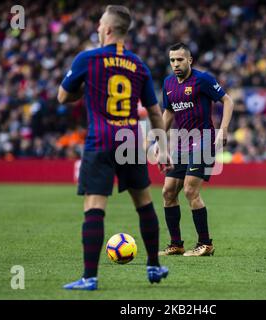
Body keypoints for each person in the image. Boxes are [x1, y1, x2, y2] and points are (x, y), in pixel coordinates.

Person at [57, 5, 172, 290]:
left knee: (94, 206)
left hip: (101, 139)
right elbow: (155, 112)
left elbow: (62, 97)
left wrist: (88, 87)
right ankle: (154, 267)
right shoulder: (138, 64)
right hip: (131, 140)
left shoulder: (88, 59)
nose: (97, 29)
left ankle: (90, 277)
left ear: (107, 29)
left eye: (99, 25)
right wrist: (163, 147)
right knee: (144, 203)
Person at [156, 43, 234, 257]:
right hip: (181, 142)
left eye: (180, 59)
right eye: (172, 60)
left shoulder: (203, 79)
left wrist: (223, 129)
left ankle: (205, 243)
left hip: (204, 139)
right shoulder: (168, 83)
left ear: (189, 60)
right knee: (168, 192)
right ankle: (176, 244)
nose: (175, 64)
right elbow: (168, 113)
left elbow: (227, 101)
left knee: (190, 190)